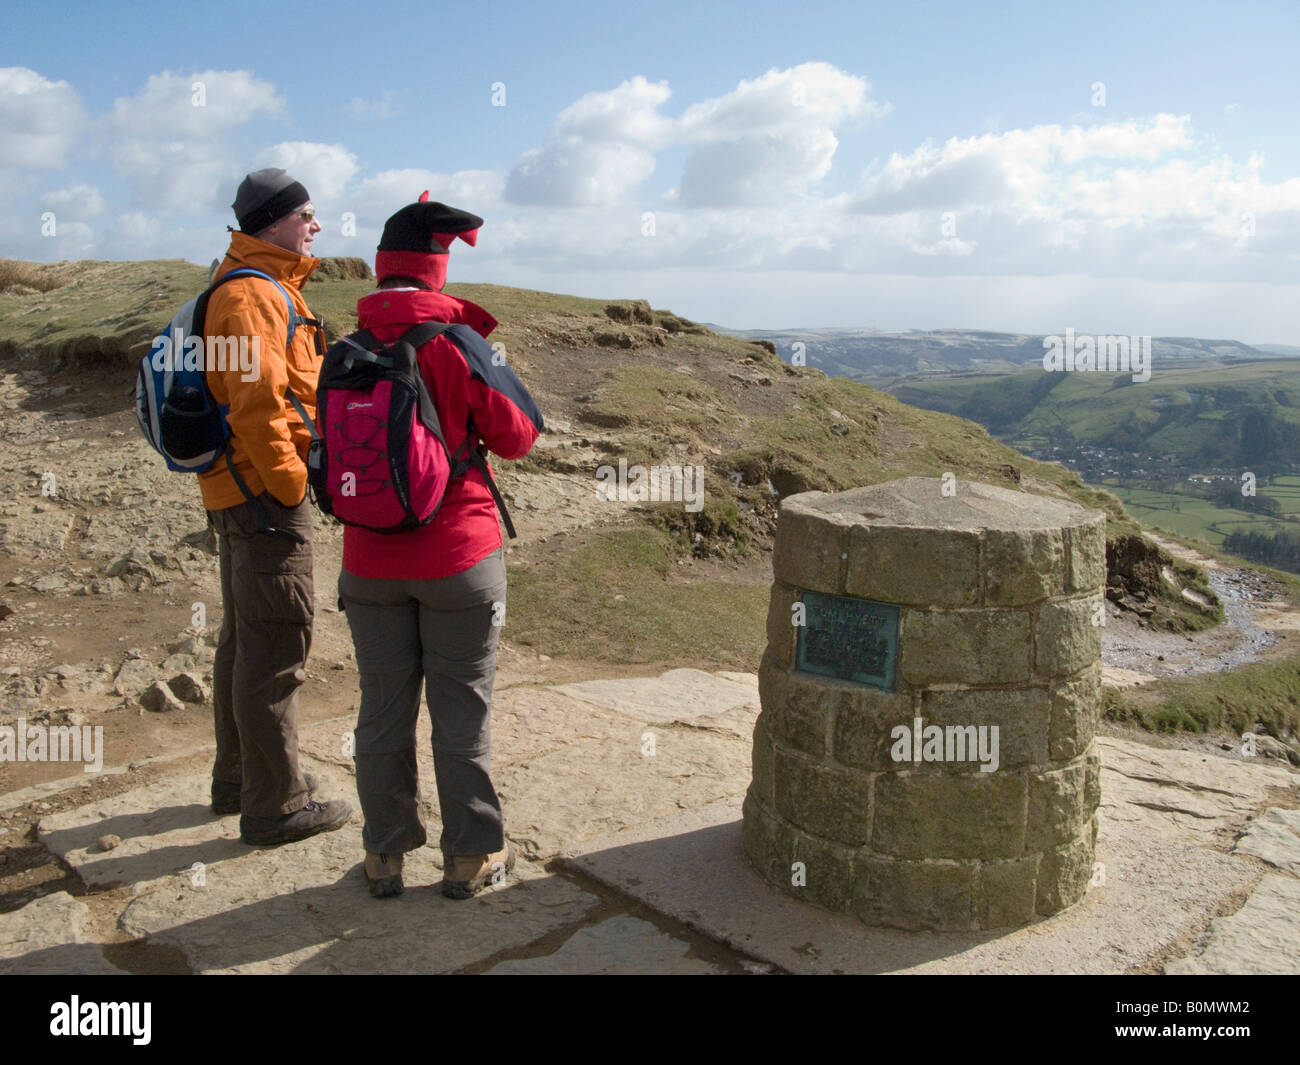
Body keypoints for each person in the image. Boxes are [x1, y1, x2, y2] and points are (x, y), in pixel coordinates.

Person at [337, 195, 542, 899]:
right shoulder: (456, 342)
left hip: (367, 561)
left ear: (380, 270)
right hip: (458, 556)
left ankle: (383, 854)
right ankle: (471, 857)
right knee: (462, 711)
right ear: (436, 271)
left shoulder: (346, 347)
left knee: (382, 708)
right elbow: (518, 434)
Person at [202, 167, 352, 845]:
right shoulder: (251, 296)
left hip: (242, 490)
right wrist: (292, 484)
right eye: (306, 215)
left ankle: (240, 779)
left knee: (245, 636)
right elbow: (256, 404)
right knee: (274, 643)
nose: (315, 225)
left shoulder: (257, 286)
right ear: (273, 220)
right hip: (262, 494)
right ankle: (276, 804)